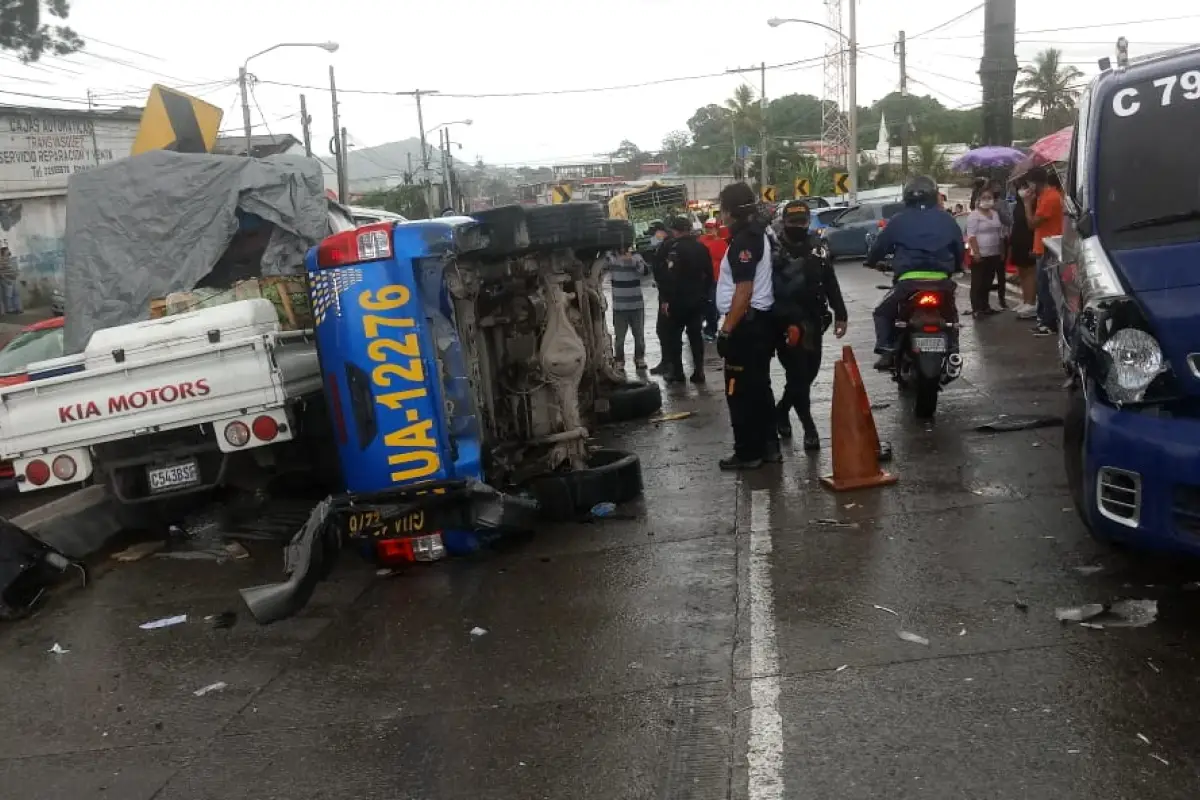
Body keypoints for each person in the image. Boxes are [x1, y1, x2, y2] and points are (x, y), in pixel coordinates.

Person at [771, 200, 848, 451]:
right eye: (792, 222)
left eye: (802, 222)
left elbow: (830, 280)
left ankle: (781, 410)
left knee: (810, 373)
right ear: (784, 222)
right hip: (785, 321)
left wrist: (841, 312)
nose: (798, 226)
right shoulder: (773, 248)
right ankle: (809, 427)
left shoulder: (818, 246)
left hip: (814, 320)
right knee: (798, 374)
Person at [867, 175, 964, 370]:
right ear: (934, 195)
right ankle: (953, 348)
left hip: (908, 282)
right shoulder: (947, 219)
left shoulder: (898, 220)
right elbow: (959, 248)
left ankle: (886, 350)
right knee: (951, 315)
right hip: (942, 282)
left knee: (882, 313)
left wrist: (871, 261)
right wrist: (958, 266)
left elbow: (880, 247)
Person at [715, 182, 779, 470]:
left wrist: (727, 330)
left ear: (730, 211)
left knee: (738, 392)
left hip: (746, 325)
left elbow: (744, 291)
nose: (720, 214)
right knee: (759, 388)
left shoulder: (744, 241)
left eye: (722, 209)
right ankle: (769, 447)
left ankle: (747, 452)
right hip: (759, 323)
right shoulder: (758, 233)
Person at [660, 216, 713, 384]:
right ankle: (699, 371)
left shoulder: (674, 249)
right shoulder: (701, 247)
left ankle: (678, 373)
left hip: (678, 301)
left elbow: (671, 276)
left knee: (674, 336)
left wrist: (666, 299)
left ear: (675, 230)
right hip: (697, 300)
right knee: (696, 336)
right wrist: (704, 294)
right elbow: (710, 274)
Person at [1024, 166, 1064, 337]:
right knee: (1042, 287)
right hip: (1042, 247)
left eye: (1028, 184)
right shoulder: (1044, 196)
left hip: (1048, 249)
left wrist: (1026, 204)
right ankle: (1044, 320)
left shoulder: (1049, 198)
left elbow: (1032, 224)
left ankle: (1049, 323)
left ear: (1034, 183)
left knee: (1046, 287)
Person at [606, 245, 649, 370]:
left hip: (636, 305)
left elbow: (645, 271)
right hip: (619, 307)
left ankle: (639, 358)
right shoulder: (611, 256)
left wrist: (633, 260)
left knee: (639, 335)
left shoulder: (636, 256)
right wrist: (622, 259)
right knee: (619, 337)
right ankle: (619, 360)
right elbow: (607, 263)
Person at [966, 187, 1007, 316]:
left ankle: (985, 306)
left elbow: (999, 233)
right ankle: (976, 308)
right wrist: (977, 252)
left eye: (989, 197)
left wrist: (1001, 251)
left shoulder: (995, 214)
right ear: (978, 200)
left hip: (993, 253)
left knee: (988, 282)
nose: (987, 200)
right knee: (977, 282)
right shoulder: (974, 215)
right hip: (980, 254)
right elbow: (971, 236)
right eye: (984, 197)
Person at [648, 223, 677, 375]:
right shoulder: (663, 246)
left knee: (666, 330)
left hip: (669, 295)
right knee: (663, 330)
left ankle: (670, 364)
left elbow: (669, 273)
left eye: (654, 233)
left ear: (661, 232)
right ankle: (667, 362)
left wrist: (666, 298)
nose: (652, 237)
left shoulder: (669, 246)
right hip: (664, 293)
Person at [1009, 177, 1038, 317]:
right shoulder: (1018, 203)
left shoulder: (1033, 202)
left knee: (1029, 271)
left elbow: (1031, 224)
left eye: (1024, 186)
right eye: (1019, 187)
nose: (1021, 190)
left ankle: (1031, 302)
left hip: (1028, 239)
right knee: (1021, 271)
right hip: (1018, 239)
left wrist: (1028, 203)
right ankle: (1025, 299)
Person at [698, 220, 729, 340]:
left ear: (717, 229)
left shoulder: (722, 243)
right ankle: (705, 327)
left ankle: (710, 329)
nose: (709, 230)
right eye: (707, 228)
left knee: (714, 306)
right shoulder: (701, 241)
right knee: (706, 304)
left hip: (718, 279)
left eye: (711, 228)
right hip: (704, 279)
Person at [0, 246, 19, 315]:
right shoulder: (1, 260)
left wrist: (16, 274)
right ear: (4, 252)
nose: (9, 251)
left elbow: (14, 268)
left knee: (15, 294)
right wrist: (5, 279)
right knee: (9, 295)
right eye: (7, 250)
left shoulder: (9, 259)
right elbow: (0, 271)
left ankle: (17, 308)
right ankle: (10, 309)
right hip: (8, 280)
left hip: (13, 279)